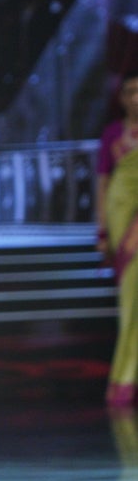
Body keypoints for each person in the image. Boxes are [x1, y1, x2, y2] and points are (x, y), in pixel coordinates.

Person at [97, 70, 138, 411]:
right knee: (130, 302)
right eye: (130, 91)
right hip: (121, 217)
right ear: (121, 97)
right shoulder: (112, 134)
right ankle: (125, 380)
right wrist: (102, 231)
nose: (136, 98)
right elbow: (103, 184)